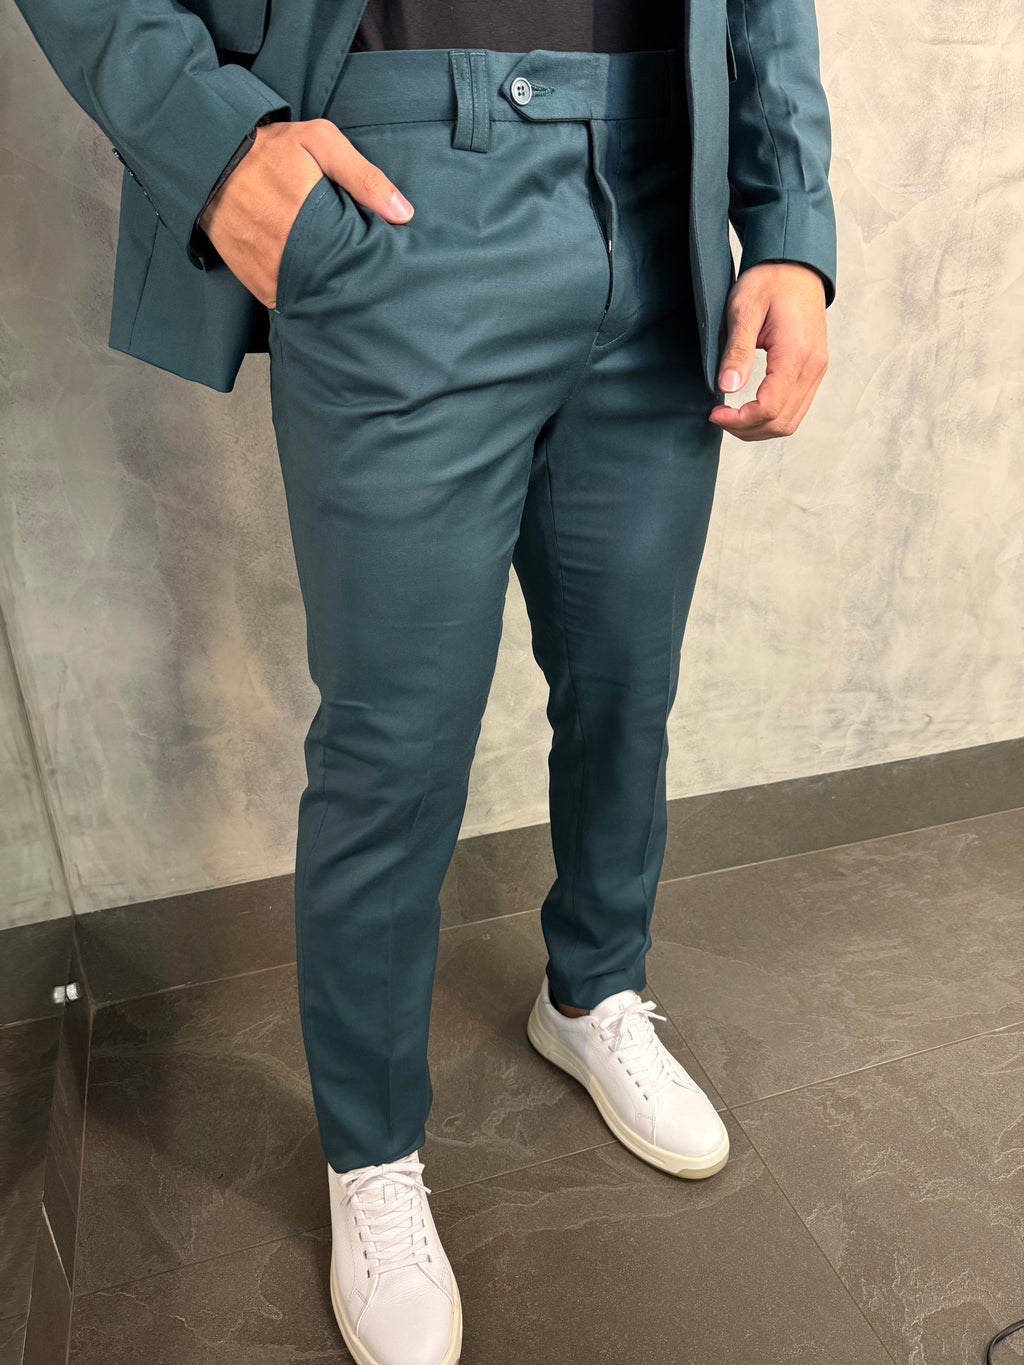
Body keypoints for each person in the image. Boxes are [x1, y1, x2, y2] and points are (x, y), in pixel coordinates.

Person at [10, 0, 836, 1361]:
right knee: (394, 746)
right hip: (396, 193)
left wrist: (792, 223)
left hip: (659, 187)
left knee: (625, 679)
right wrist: (213, 145)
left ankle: (593, 993)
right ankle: (372, 1148)